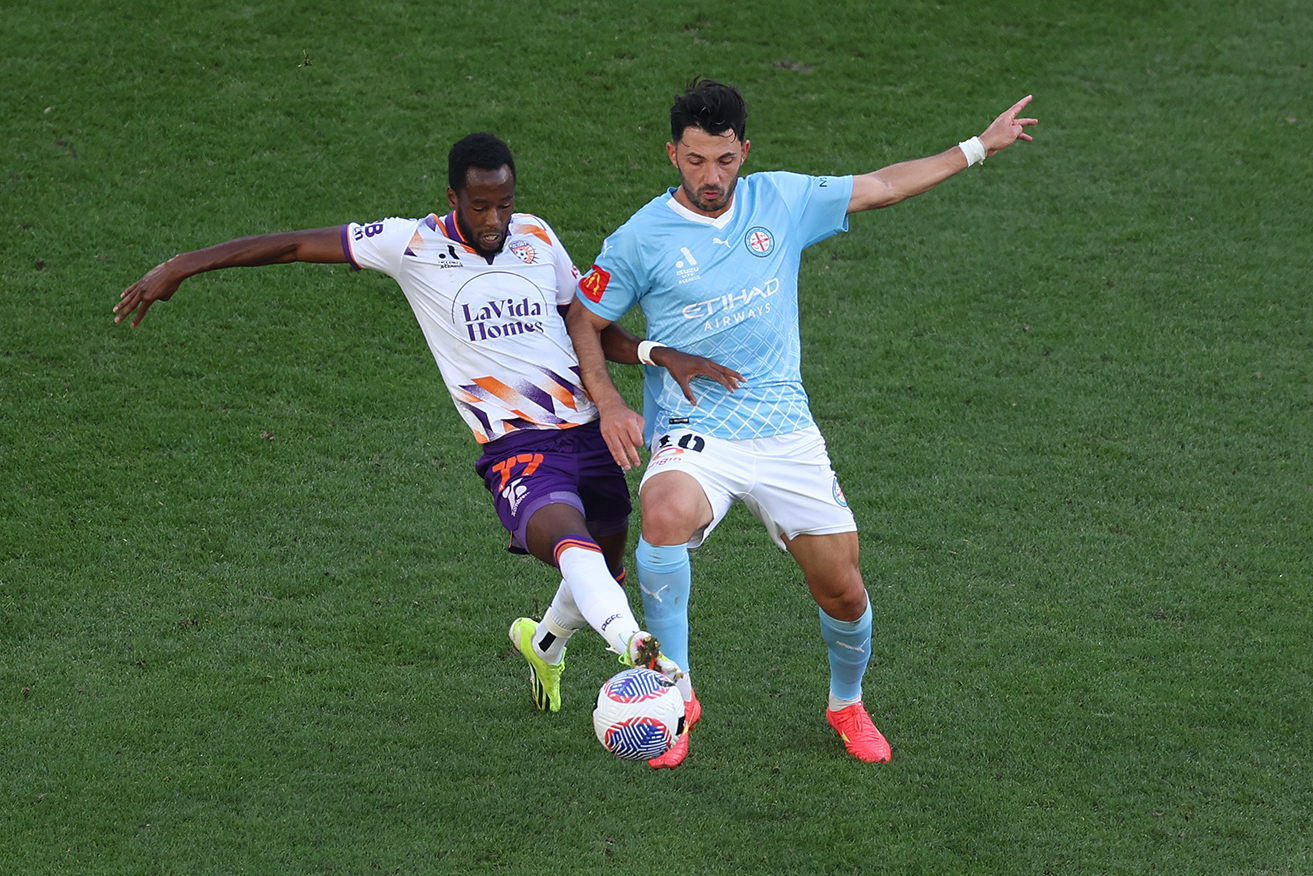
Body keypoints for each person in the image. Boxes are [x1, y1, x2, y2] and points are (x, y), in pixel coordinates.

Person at [114, 132, 742, 715]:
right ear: (453, 199)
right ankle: (637, 648)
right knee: (570, 546)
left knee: (603, 566)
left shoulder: (538, 238)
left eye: (504, 204)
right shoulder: (411, 244)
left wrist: (657, 354)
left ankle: (544, 645)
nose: (495, 220)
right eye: (480, 207)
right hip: (515, 447)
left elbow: (587, 329)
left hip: (588, 434)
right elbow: (293, 244)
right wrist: (184, 264)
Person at [567, 80, 1037, 768]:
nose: (710, 177)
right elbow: (583, 317)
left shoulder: (779, 200)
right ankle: (677, 692)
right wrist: (611, 401)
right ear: (672, 154)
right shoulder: (641, 237)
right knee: (663, 513)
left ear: (743, 151)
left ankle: (845, 703)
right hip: (696, 431)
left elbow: (882, 186)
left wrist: (978, 145)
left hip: (784, 431)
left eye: (724, 161)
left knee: (842, 588)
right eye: (695, 161)